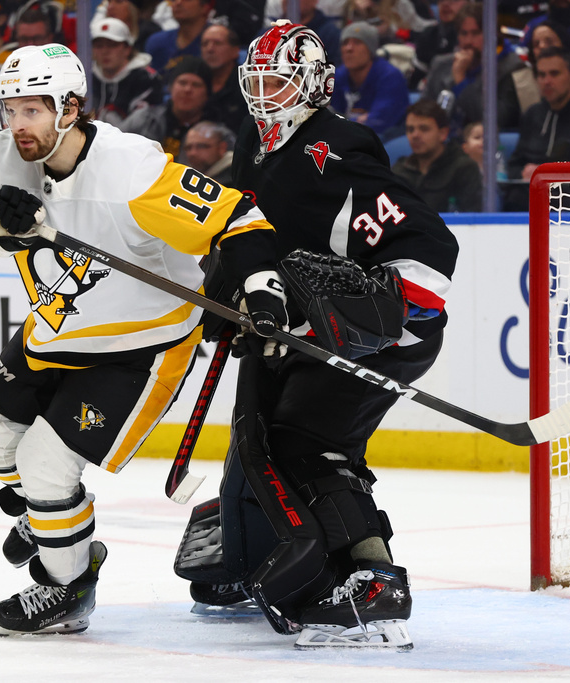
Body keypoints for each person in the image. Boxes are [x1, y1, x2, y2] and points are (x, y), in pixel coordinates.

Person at [0, 42, 286, 636]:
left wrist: (261, 286)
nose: (18, 125)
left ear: (69, 108)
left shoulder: (129, 170)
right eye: (10, 109)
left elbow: (235, 216)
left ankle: (67, 584)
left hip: (139, 349)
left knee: (45, 467)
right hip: (54, 331)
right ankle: (50, 521)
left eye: (33, 110)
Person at [174, 21, 458, 650]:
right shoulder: (258, 143)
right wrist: (233, 295)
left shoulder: (336, 148)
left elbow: (430, 248)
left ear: (314, 84)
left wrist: (367, 314)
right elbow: (252, 233)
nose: (264, 94)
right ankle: (268, 557)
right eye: (256, 82)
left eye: (278, 81)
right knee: (267, 438)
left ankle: (373, 581)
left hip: (380, 336)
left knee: (308, 445)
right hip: (309, 331)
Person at [504, 46, 570, 211]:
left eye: (554, 73)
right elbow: (513, 167)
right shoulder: (532, 114)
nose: (546, 81)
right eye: (541, 75)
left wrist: (544, 175)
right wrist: (523, 173)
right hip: (527, 206)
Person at [421, 3, 529, 132]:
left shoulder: (512, 68)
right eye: (463, 33)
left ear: (493, 34)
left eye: (475, 33)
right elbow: (423, 113)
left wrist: (461, 81)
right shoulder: (441, 64)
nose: (468, 41)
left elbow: (495, 120)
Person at [391, 99, 481, 212]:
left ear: (443, 133)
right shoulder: (399, 171)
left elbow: (472, 221)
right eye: (410, 129)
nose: (415, 135)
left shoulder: (464, 168)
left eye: (424, 129)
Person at [121, 56, 217, 158]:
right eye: (182, 82)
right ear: (170, 88)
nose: (187, 89)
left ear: (207, 94)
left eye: (196, 85)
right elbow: (115, 145)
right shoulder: (144, 118)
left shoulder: (216, 134)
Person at [329, 22, 410, 137]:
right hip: (350, 137)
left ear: (370, 50)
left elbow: (379, 123)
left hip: (388, 140)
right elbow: (326, 117)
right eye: (345, 43)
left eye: (357, 42)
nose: (349, 48)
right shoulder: (338, 75)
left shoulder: (390, 77)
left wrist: (344, 121)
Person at [90, 16, 164, 128]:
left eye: (112, 45)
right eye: (99, 46)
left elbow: (144, 123)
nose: (105, 51)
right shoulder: (85, 78)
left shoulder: (146, 79)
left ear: (127, 49)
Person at [200, 23, 248, 132]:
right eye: (204, 44)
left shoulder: (248, 84)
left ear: (235, 51)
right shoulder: (194, 80)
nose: (210, 49)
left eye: (217, 43)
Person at [144, 0, 213, 74]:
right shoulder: (157, 42)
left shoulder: (217, 41)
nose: (178, 2)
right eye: (173, 0)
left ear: (205, 7)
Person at [408, 0, 465, 89]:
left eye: (454, 0)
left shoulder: (485, 36)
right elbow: (415, 82)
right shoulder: (429, 34)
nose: (445, 4)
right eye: (441, 0)